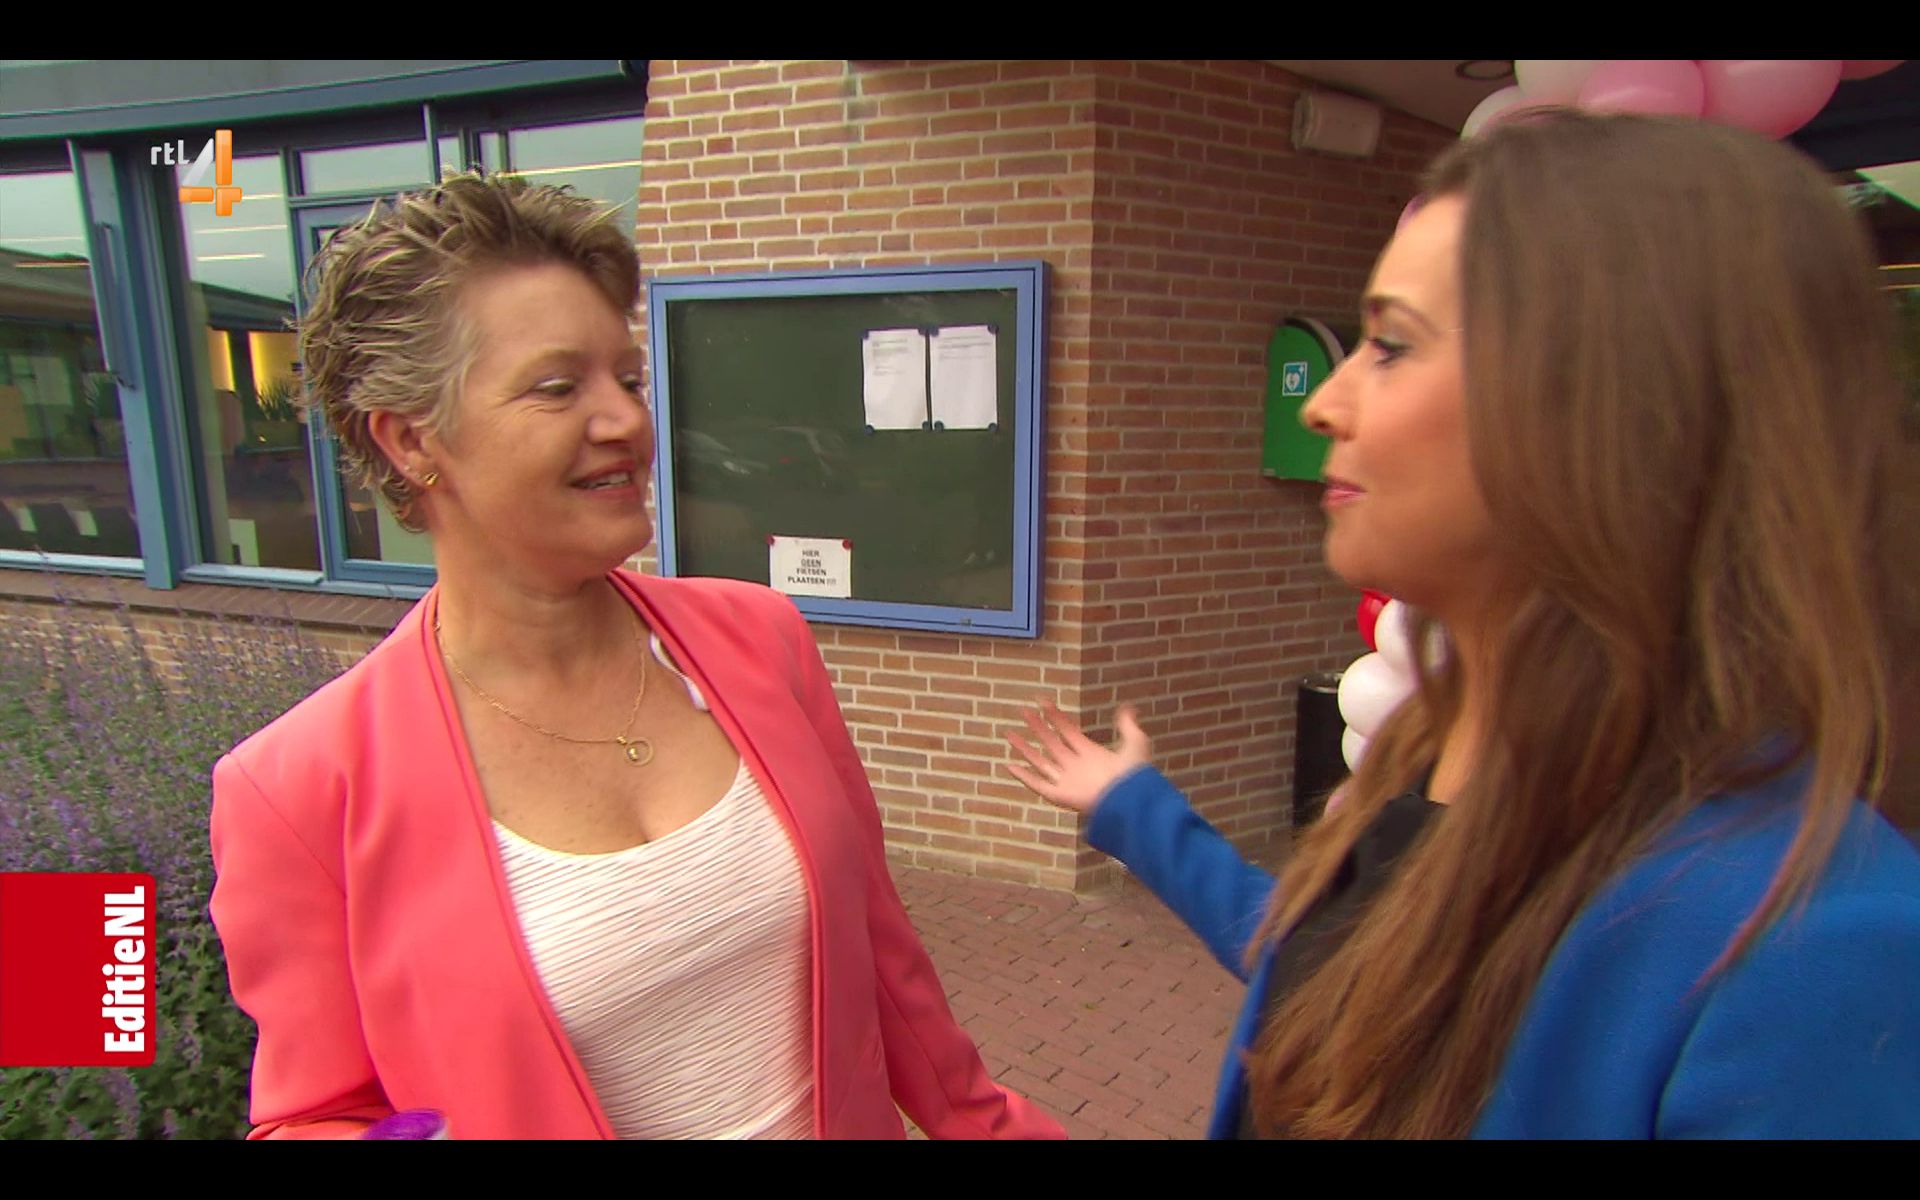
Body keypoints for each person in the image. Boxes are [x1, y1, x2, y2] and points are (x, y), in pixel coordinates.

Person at [1007, 110, 1920, 1139]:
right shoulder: (1429, 751)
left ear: (1613, 406)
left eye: (1392, 345)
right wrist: (1134, 808)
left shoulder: (1817, 954)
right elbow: (1346, 965)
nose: (1323, 404)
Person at [208, 172, 1063, 1141]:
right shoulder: (298, 789)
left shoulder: (758, 642)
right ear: (412, 440)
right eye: (558, 387)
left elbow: (883, 957)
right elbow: (312, 1113)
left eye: (628, 378)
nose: (625, 420)